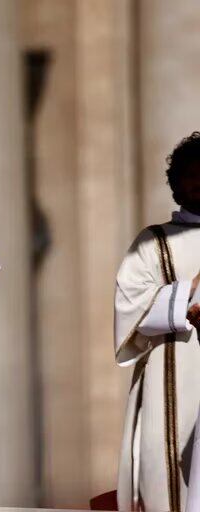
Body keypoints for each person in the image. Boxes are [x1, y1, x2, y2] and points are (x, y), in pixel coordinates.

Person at [115, 132, 200, 511]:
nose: (198, 183)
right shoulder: (153, 242)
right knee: (167, 477)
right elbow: (130, 306)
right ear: (176, 183)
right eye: (190, 175)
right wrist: (188, 295)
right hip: (173, 367)